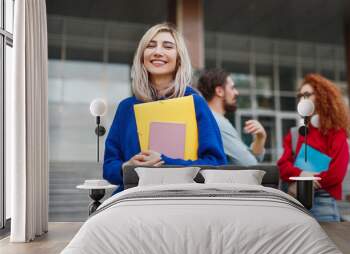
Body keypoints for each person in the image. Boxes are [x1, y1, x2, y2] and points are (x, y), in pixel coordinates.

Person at [103, 23, 227, 195]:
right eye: (151, 46)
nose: (157, 52)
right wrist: (127, 167)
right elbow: (109, 167)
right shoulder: (126, 108)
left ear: (178, 59)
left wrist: (163, 162)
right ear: (142, 56)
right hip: (132, 199)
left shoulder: (194, 103)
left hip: (181, 198)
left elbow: (216, 164)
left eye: (167, 46)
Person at [277, 74, 350, 222]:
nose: (302, 100)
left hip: (323, 204)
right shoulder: (295, 134)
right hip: (295, 203)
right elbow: (282, 166)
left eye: (306, 95)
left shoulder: (336, 133)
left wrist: (306, 181)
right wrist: (303, 173)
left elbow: (336, 174)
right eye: (300, 96)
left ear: (322, 97)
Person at [197, 68, 267, 165]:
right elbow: (250, 164)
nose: (236, 92)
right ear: (219, 91)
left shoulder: (214, 119)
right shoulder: (216, 122)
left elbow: (251, 158)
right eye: (232, 88)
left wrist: (260, 137)